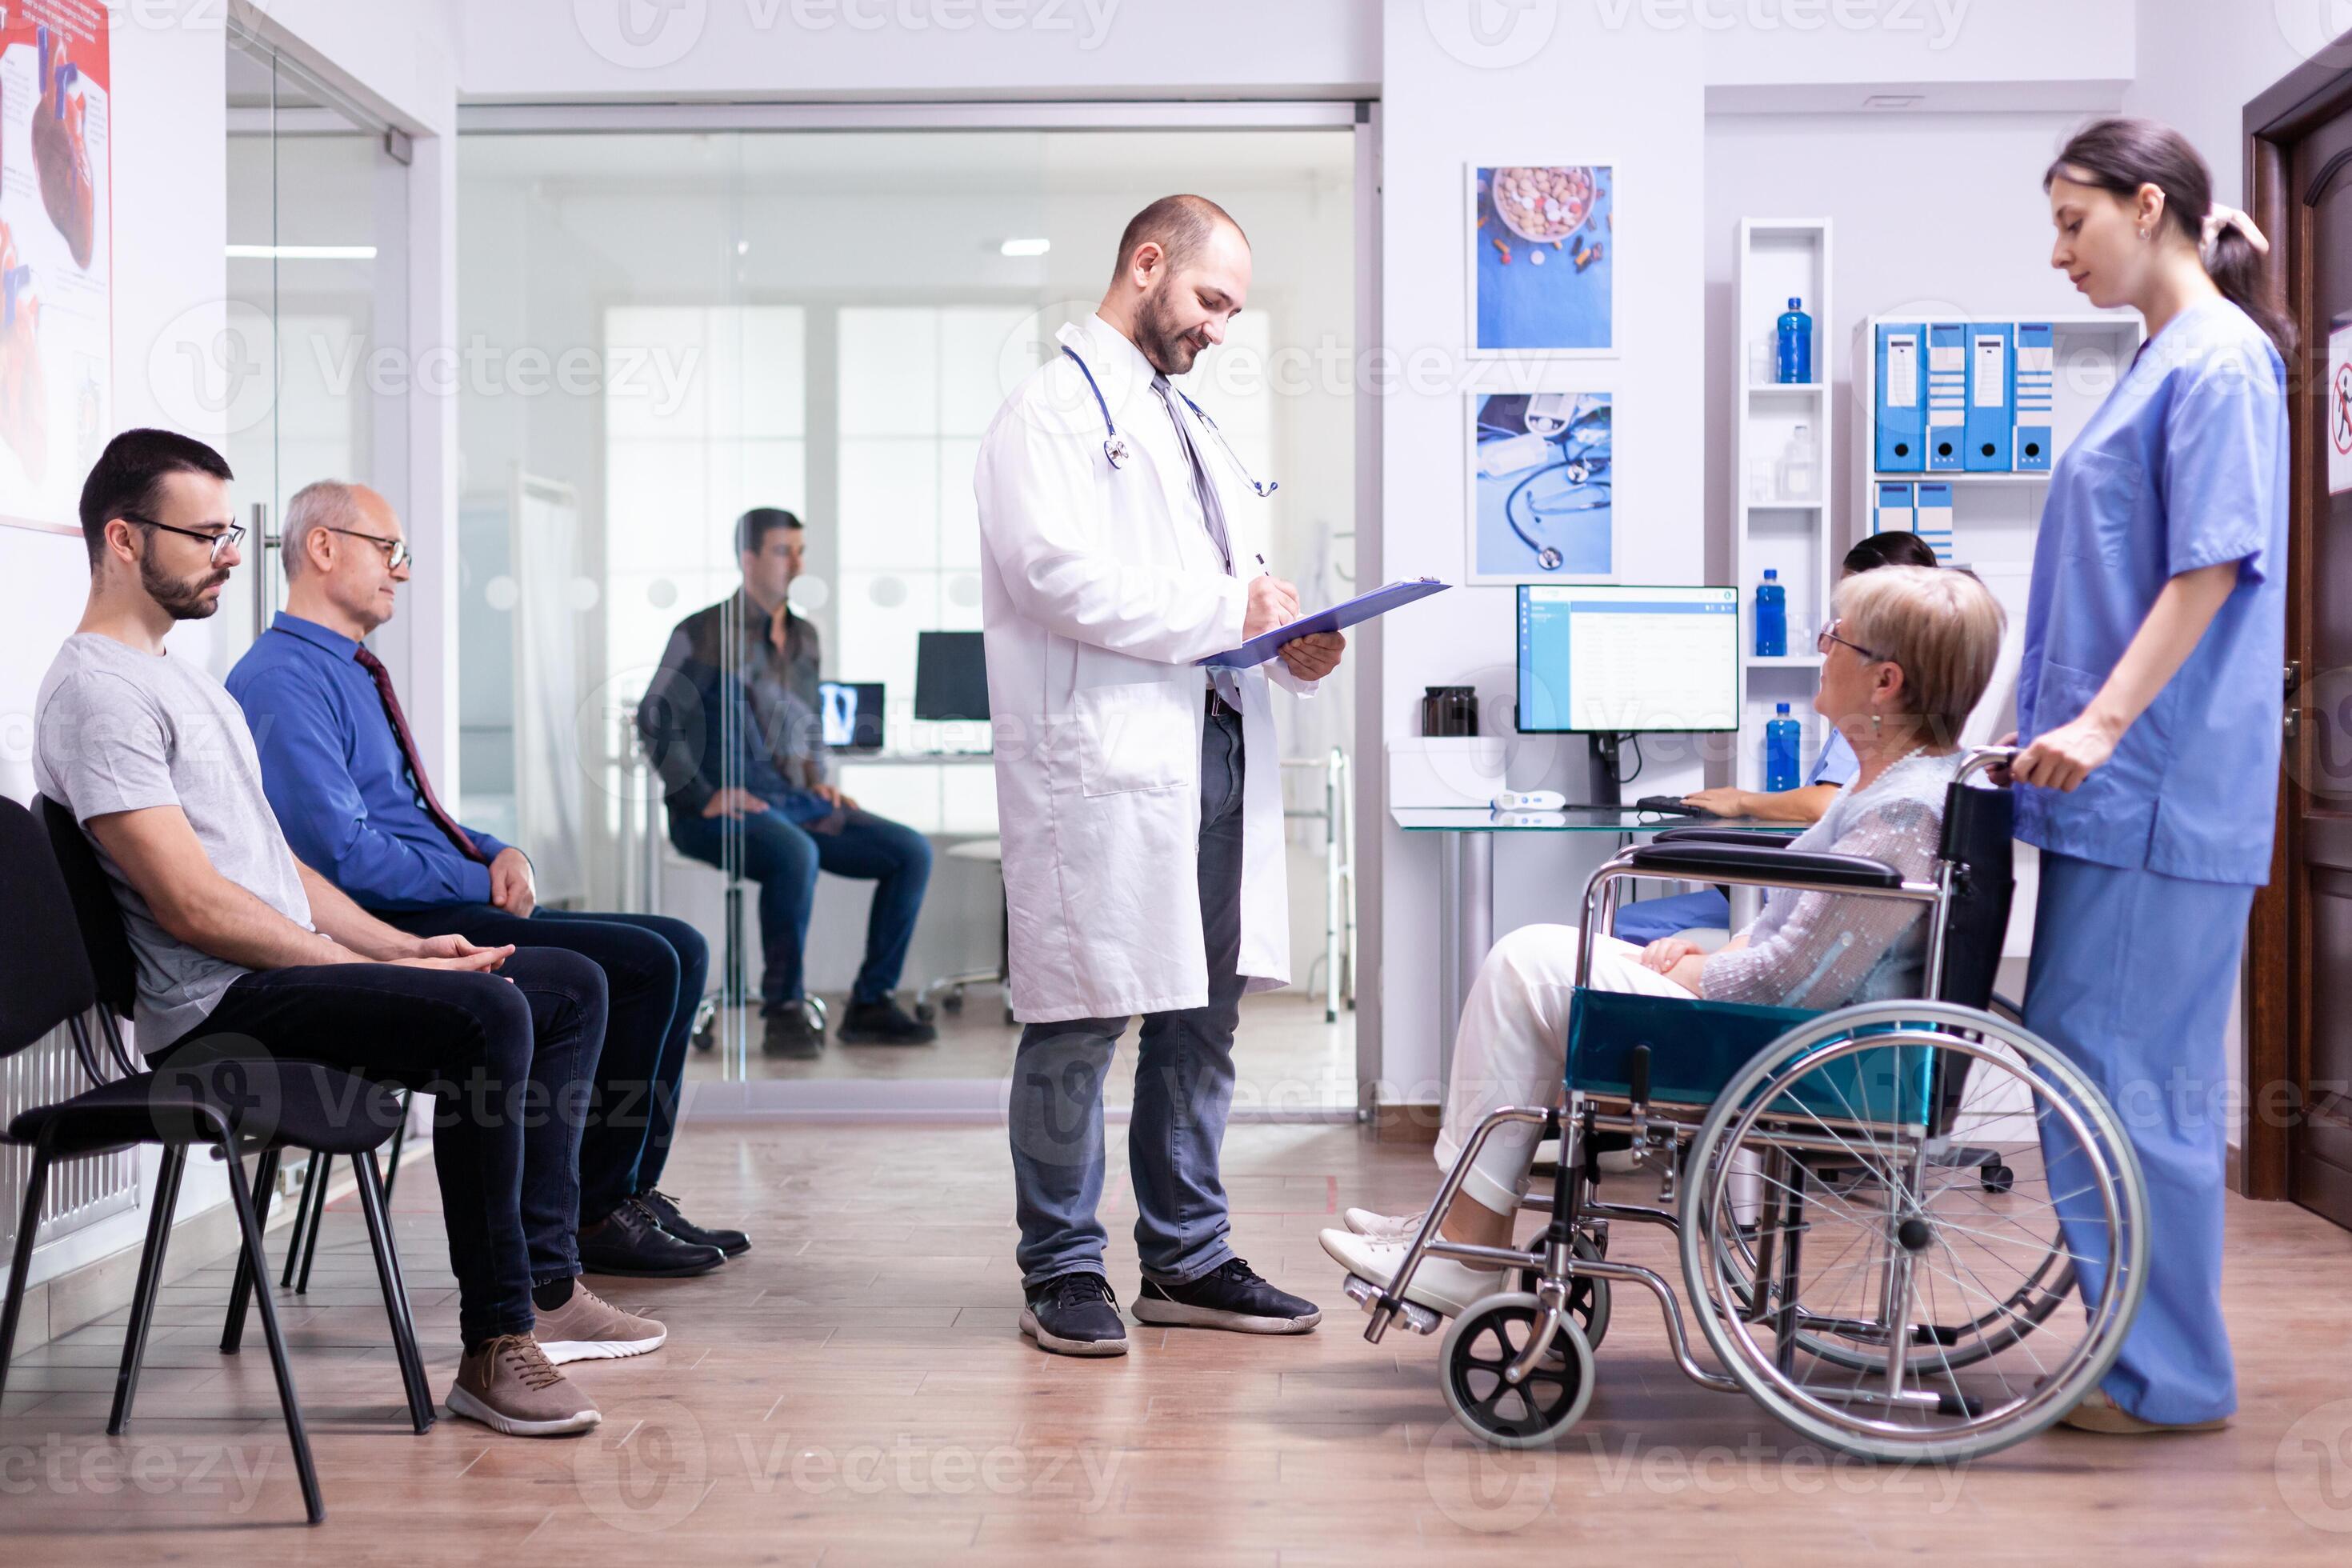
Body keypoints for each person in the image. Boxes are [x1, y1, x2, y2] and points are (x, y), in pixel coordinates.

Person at [33, 430, 656, 1438]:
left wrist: (404, 949)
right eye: (205, 534)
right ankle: (497, 1341)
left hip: (267, 973)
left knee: (566, 986)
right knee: (487, 1018)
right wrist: (358, 960)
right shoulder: (98, 693)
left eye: (231, 530)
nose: (232, 553)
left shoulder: (182, 678)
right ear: (121, 539)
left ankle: (546, 1283)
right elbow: (193, 909)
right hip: (218, 1008)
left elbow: (283, 872)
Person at [1321, 566, 2005, 1314]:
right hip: (1783, 1024)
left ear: (1886, 682)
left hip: (1799, 1051)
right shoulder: (1887, 788)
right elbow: (1799, 937)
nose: (1821, 650)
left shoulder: (1902, 812)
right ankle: (1459, 1226)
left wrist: (1704, 970)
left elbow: (1799, 982)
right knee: (1540, 952)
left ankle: (1465, 1245)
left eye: (1835, 638)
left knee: (1526, 965)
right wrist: (1715, 955)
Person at [974, 194, 1346, 1357]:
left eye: (1232, 311)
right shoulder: (1047, 413)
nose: (1219, 330)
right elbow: (1051, 576)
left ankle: (1187, 1257)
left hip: (1216, 747)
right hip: (1110, 763)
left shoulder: (1188, 424)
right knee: (1081, 1017)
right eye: (1209, 301)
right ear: (1147, 264)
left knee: (1203, 1017)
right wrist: (1225, 609)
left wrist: (1292, 643)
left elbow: (1235, 587)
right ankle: (1062, 1266)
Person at [225, 480, 742, 1278]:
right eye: (388, 551)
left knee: (678, 943)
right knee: (643, 963)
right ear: (322, 548)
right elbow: (343, 856)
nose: (402, 571)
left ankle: (625, 1186)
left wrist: (503, 851)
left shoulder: (353, 671)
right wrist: (473, 870)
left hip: (436, 895)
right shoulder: (281, 680)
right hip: (391, 920)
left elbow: (415, 816)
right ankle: (595, 1208)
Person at [2003, 118, 2290, 1436]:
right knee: (2092, 1066)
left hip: (2156, 792)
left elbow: (2212, 567)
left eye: (2076, 222)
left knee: (2132, 1081)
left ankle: (2170, 1379)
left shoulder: (2220, 365)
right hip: (2107, 797)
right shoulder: (2161, 361)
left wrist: (2107, 728)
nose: (2060, 251)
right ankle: (2138, 1354)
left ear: (2151, 204)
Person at [638, 507, 936, 1058]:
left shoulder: (803, 637)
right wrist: (704, 796)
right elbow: (656, 716)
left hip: (794, 802)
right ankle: (783, 1010)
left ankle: (870, 1003)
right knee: (795, 854)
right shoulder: (703, 632)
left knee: (909, 851)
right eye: (783, 551)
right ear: (748, 559)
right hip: (715, 812)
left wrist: (817, 780)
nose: (796, 562)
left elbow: (802, 722)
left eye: (800, 550)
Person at [1614, 530, 1947, 946]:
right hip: (1807, 894)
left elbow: (1825, 804)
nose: (1824, 644)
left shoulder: (1881, 719)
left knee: (1609, 923)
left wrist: (1742, 802)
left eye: (1841, 630)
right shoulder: (1919, 726)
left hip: (1802, 896)